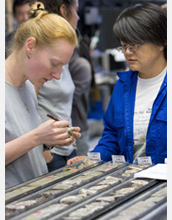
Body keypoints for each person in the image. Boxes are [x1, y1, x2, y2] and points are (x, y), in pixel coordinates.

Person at [67, 3, 167, 165]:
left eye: (135, 45)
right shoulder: (123, 85)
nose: (128, 52)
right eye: (124, 46)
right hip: (134, 181)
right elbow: (112, 136)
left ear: (162, 41)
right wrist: (93, 158)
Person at [5, 1, 81, 189]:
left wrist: (49, 140)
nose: (57, 75)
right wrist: (37, 137)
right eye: (54, 64)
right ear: (30, 46)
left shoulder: (28, 86)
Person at [37, 0, 92, 173]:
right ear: (63, 10)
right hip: (51, 154)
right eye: (75, 10)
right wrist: (45, 152)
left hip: (67, 148)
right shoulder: (43, 53)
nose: (78, 16)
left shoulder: (63, 54)